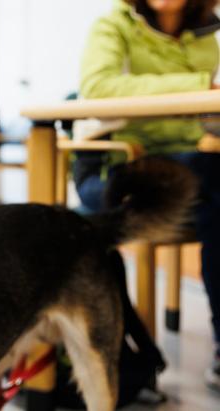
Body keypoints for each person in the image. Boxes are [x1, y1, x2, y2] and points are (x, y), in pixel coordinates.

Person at [76, 0, 220, 388]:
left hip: (191, 161)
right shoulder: (114, 25)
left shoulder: (208, 34)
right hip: (125, 162)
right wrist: (198, 87)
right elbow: (97, 87)